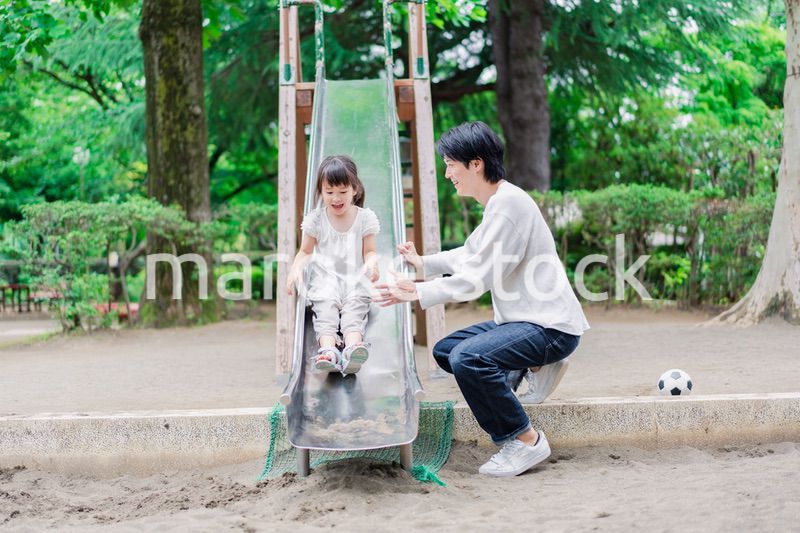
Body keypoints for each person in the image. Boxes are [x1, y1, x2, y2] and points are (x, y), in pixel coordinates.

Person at [373, 121, 590, 477]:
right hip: (524, 321)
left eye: (450, 165)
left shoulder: (508, 206)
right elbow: (471, 253)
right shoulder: (500, 203)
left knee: (469, 359)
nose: (447, 174)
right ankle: (532, 367)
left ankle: (524, 441)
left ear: (476, 163)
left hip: (550, 327)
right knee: (447, 352)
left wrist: (418, 292)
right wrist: (423, 264)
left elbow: (476, 279)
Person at [287, 155, 381, 374]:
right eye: (329, 192)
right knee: (326, 314)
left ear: (355, 190)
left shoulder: (364, 218)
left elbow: (370, 251)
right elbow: (304, 252)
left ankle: (352, 349)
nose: (336, 198)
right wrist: (294, 269)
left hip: (355, 282)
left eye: (342, 192)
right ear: (321, 191)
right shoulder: (316, 220)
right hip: (326, 283)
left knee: (353, 314)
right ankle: (329, 351)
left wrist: (372, 263)